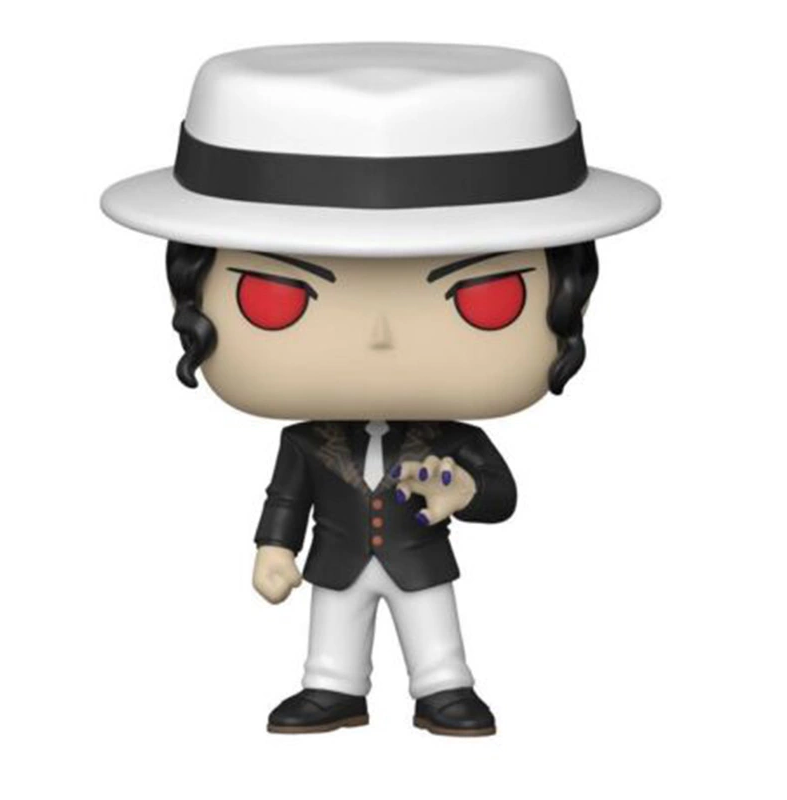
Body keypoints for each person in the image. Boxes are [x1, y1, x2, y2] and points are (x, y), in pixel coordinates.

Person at [101, 43, 660, 736]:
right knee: (332, 628)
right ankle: (331, 687)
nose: (380, 337)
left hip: (420, 559)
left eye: (487, 298)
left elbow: (501, 495)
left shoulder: (453, 441)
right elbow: (285, 500)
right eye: (275, 298)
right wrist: (274, 549)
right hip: (336, 562)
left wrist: (465, 492)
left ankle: (444, 687)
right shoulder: (303, 443)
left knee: (433, 627)